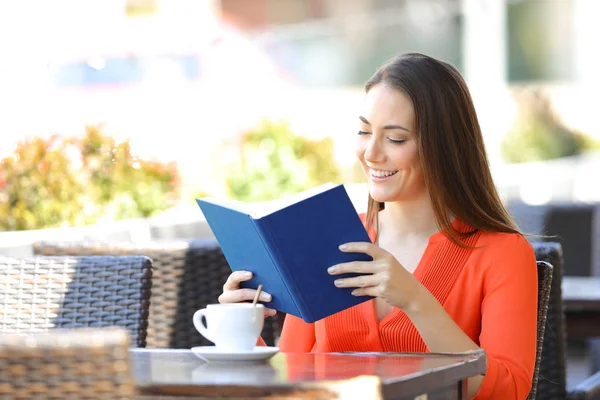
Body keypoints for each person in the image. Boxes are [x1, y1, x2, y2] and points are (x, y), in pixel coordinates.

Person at [218, 53, 538, 399]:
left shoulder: (502, 252)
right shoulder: (328, 236)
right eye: (364, 131)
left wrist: (416, 301)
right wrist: (243, 331)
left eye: (395, 139)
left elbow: (510, 390)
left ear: (444, 147)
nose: (371, 153)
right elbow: (293, 375)